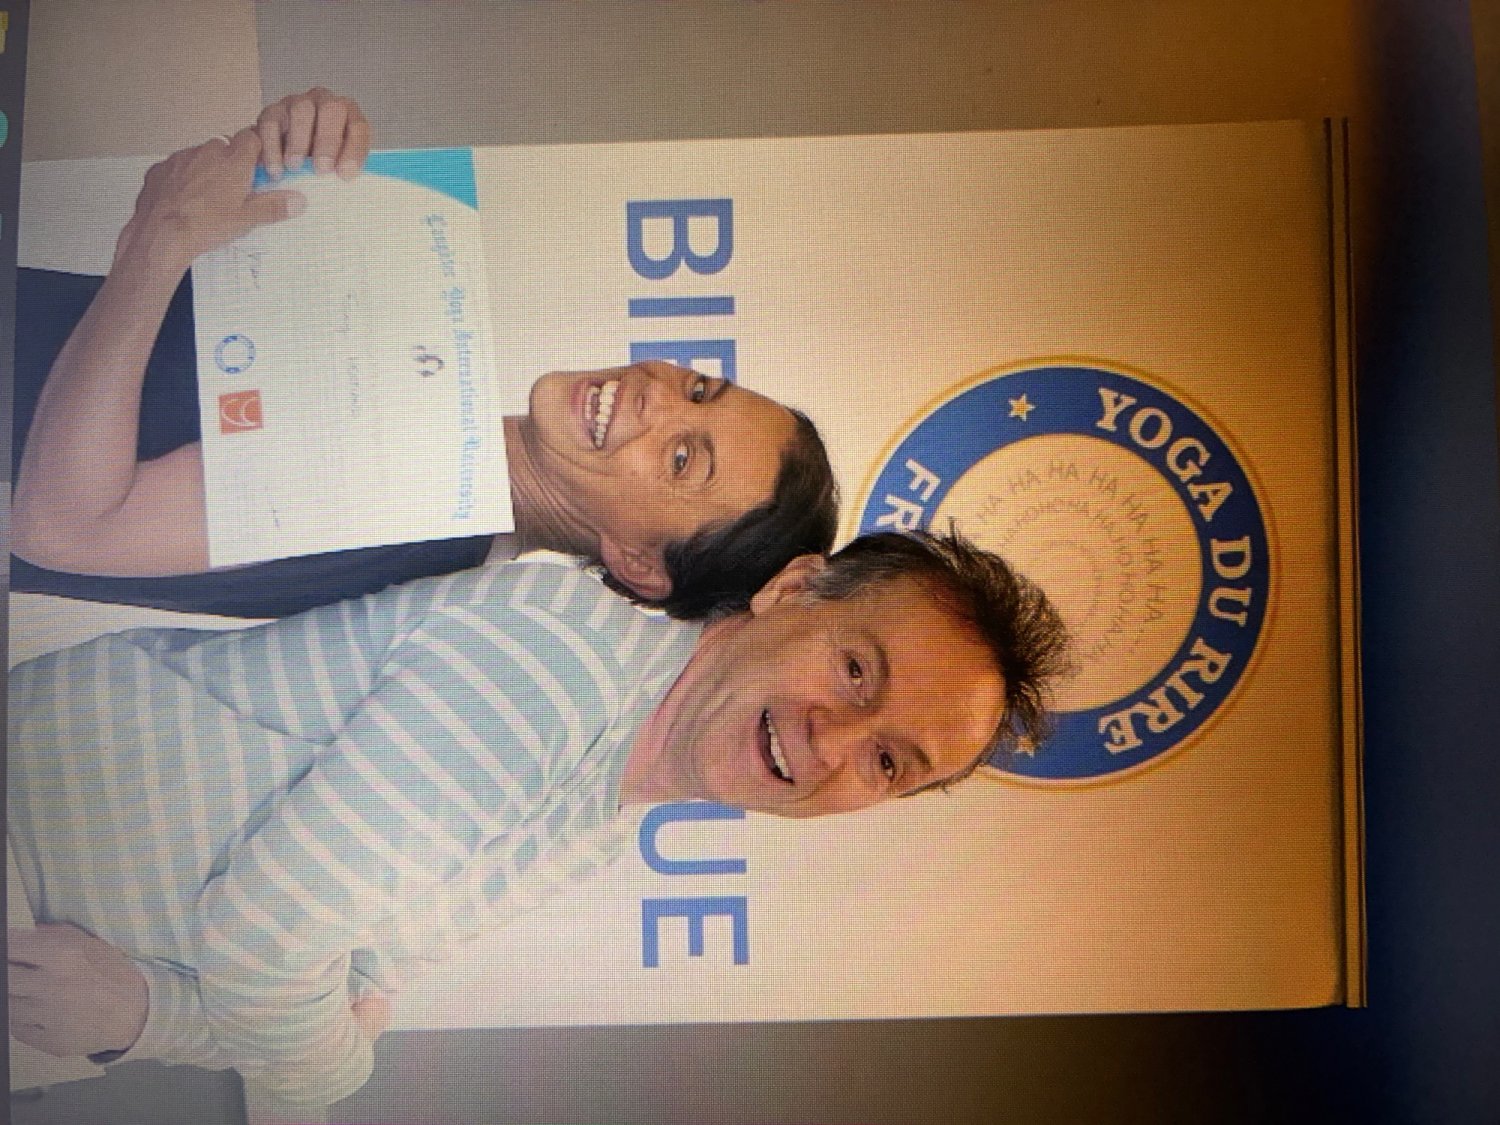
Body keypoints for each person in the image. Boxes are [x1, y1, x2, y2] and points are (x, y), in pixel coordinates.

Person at [7, 530, 1070, 1106]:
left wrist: (158, 1012)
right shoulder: (561, 661)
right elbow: (264, 948)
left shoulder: (608, 816)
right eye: (856, 669)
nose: (833, 742)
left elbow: (349, 970)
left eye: (887, 762)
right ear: (793, 590)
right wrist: (305, 1059)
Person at [10, 88, 837, 620]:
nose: (659, 395)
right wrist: (297, 155)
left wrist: (156, 245)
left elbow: (61, 527)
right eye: (700, 389)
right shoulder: (433, 386)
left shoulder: (413, 527)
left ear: (639, 563)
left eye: (684, 458)